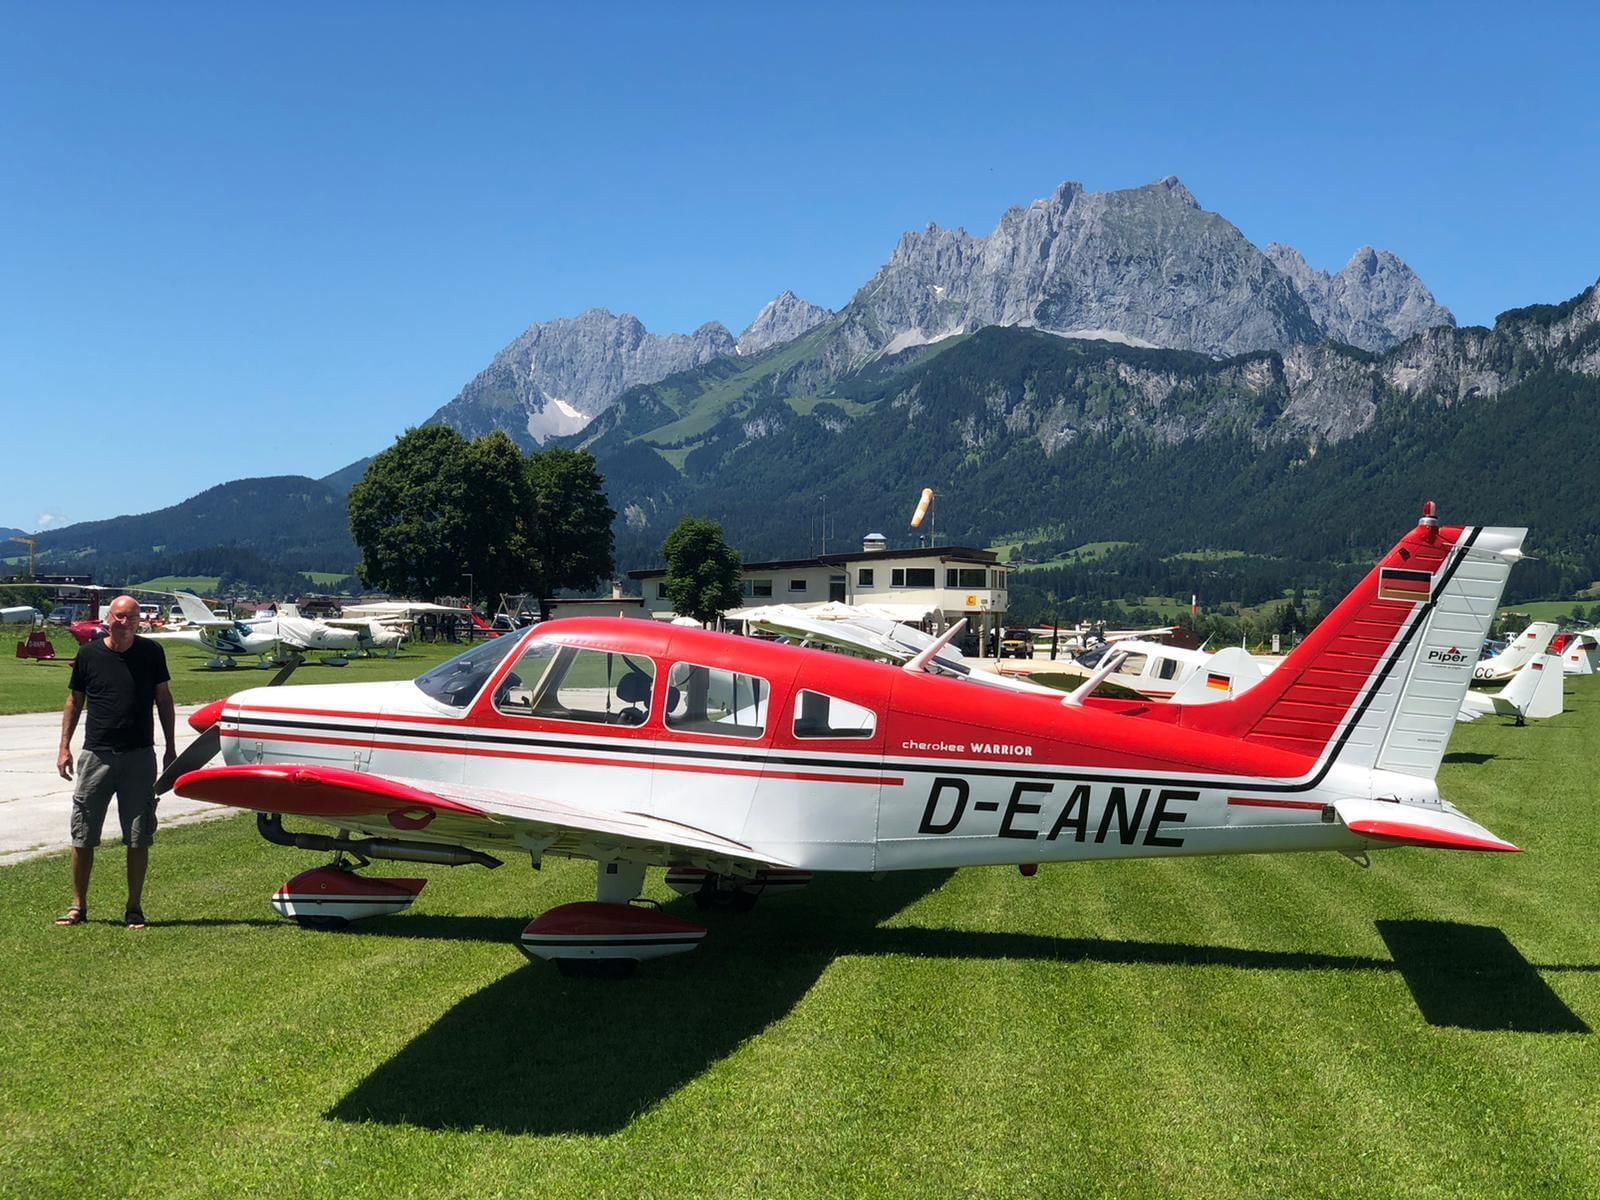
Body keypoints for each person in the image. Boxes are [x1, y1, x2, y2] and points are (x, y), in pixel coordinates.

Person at [54, 595, 177, 929]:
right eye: (120, 617)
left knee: (139, 836)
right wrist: (64, 747)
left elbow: (163, 699)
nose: (125, 623)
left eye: (132, 618)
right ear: (108, 618)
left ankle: (134, 908)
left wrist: (170, 747)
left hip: (139, 756)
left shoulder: (152, 653)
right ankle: (78, 905)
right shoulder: (88, 655)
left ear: (140, 622)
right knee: (83, 833)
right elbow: (74, 701)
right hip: (96, 755)